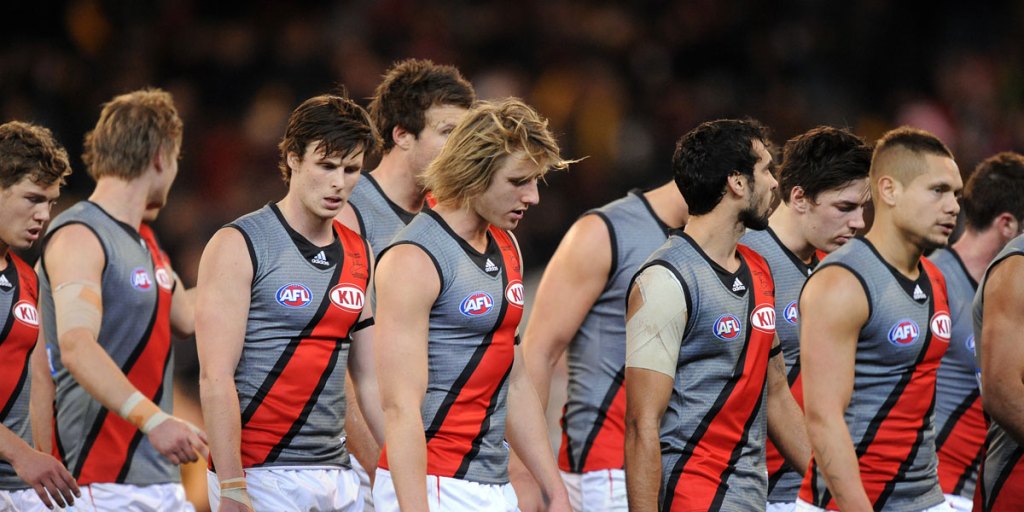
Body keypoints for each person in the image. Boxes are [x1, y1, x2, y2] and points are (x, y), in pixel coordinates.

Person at [373, 98, 573, 512]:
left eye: (535, 181)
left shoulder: (507, 245)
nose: (533, 196)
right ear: (475, 173)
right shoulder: (413, 258)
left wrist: (554, 489)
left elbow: (514, 379)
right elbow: (400, 406)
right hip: (432, 482)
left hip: (491, 481)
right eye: (518, 180)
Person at [196, 93, 382, 512]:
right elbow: (215, 377)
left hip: (338, 473)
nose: (339, 183)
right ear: (293, 157)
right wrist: (231, 484)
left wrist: (395, 469)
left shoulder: (360, 253)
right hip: (261, 474)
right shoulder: (239, 243)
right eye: (327, 165)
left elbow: (369, 381)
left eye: (351, 169)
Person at [624, 119, 810, 511]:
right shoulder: (665, 279)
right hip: (691, 497)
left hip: (750, 497)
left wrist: (834, 486)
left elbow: (777, 393)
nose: (774, 183)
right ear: (737, 182)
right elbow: (642, 424)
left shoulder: (758, 270)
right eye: (766, 170)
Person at [37, 88, 206, 510]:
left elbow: (188, 317)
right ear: (161, 157)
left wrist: (258, 270)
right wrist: (155, 420)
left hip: (155, 477)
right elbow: (76, 346)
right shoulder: (80, 234)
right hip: (96, 479)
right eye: (177, 159)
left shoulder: (145, 240)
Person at [798, 126, 962, 511]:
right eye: (938, 190)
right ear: (888, 190)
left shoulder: (935, 278)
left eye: (956, 194)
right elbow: (823, 419)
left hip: (926, 498)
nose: (953, 206)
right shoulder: (842, 283)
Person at [335, 59, 475, 508]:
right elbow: (337, 363)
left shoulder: (449, 217)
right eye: (448, 132)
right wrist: (384, 467)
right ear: (401, 134)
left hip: (438, 454)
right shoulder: (348, 211)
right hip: (367, 459)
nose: (460, 149)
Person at [522, 175, 687, 511]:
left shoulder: (729, 246)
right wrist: (523, 471)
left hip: (686, 467)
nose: (771, 184)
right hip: (608, 468)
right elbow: (539, 351)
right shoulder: (605, 232)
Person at [739, 126, 872, 511]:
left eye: (862, 208)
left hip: (817, 486)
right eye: (845, 208)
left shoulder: (839, 270)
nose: (859, 222)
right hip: (761, 493)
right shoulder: (743, 261)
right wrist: (834, 486)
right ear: (798, 197)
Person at [930, 152, 1024, 511]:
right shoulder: (931, 282)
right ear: (1007, 225)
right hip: (941, 488)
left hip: (984, 484)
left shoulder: (1010, 293)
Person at [0, 121, 79, 511]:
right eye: (33, 199)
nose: (44, 215)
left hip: (22, 488)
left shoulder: (28, 279)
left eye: (51, 202)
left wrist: (41, 459)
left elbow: (35, 385)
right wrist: (21, 454)